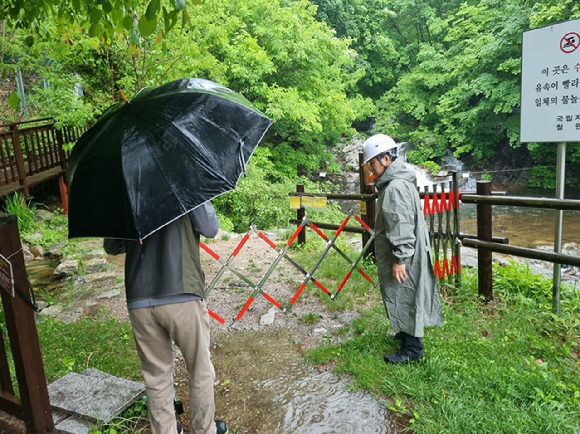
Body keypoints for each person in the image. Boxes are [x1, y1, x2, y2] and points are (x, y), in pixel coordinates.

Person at [104, 201, 228, 434]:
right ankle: (204, 430)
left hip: (139, 295)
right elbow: (210, 228)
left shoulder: (127, 191)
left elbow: (112, 245)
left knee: (156, 376)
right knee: (199, 368)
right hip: (182, 290)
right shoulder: (184, 182)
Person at [362, 134, 444, 364]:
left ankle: (412, 349)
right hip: (409, 250)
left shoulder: (395, 187)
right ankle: (405, 333)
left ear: (386, 159)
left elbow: (401, 225)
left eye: (372, 163)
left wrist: (400, 258)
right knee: (404, 291)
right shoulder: (398, 181)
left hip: (405, 252)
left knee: (405, 291)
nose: (370, 168)